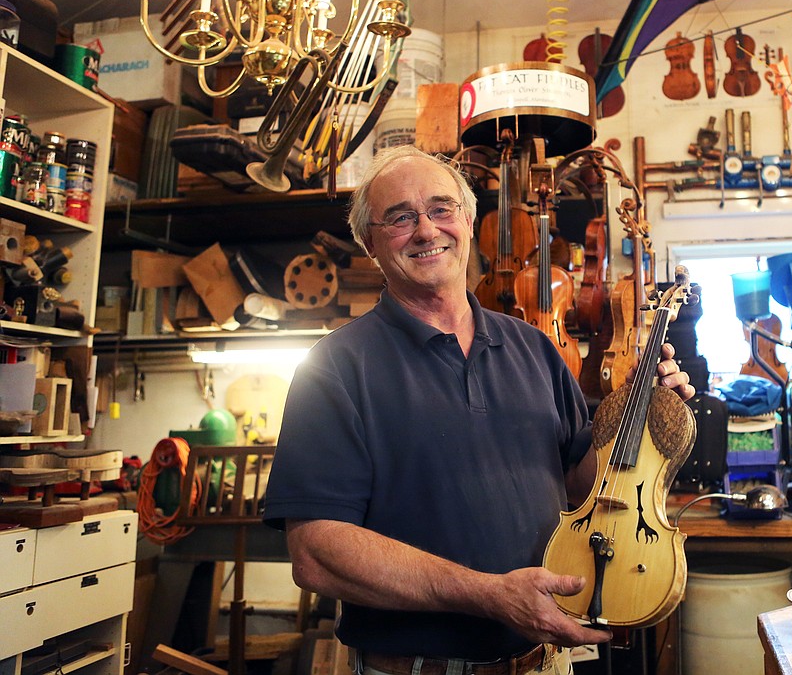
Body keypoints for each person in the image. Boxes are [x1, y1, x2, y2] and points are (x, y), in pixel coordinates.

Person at [263, 146, 694, 675]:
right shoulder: (333, 368)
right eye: (400, 217)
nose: (426, 230)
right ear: (370, 243)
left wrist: (641, 413)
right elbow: (315, 552)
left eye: (442, 209)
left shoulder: (536, 349)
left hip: (545, 663)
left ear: (468, 221)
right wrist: (489, 594)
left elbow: (584, 490)